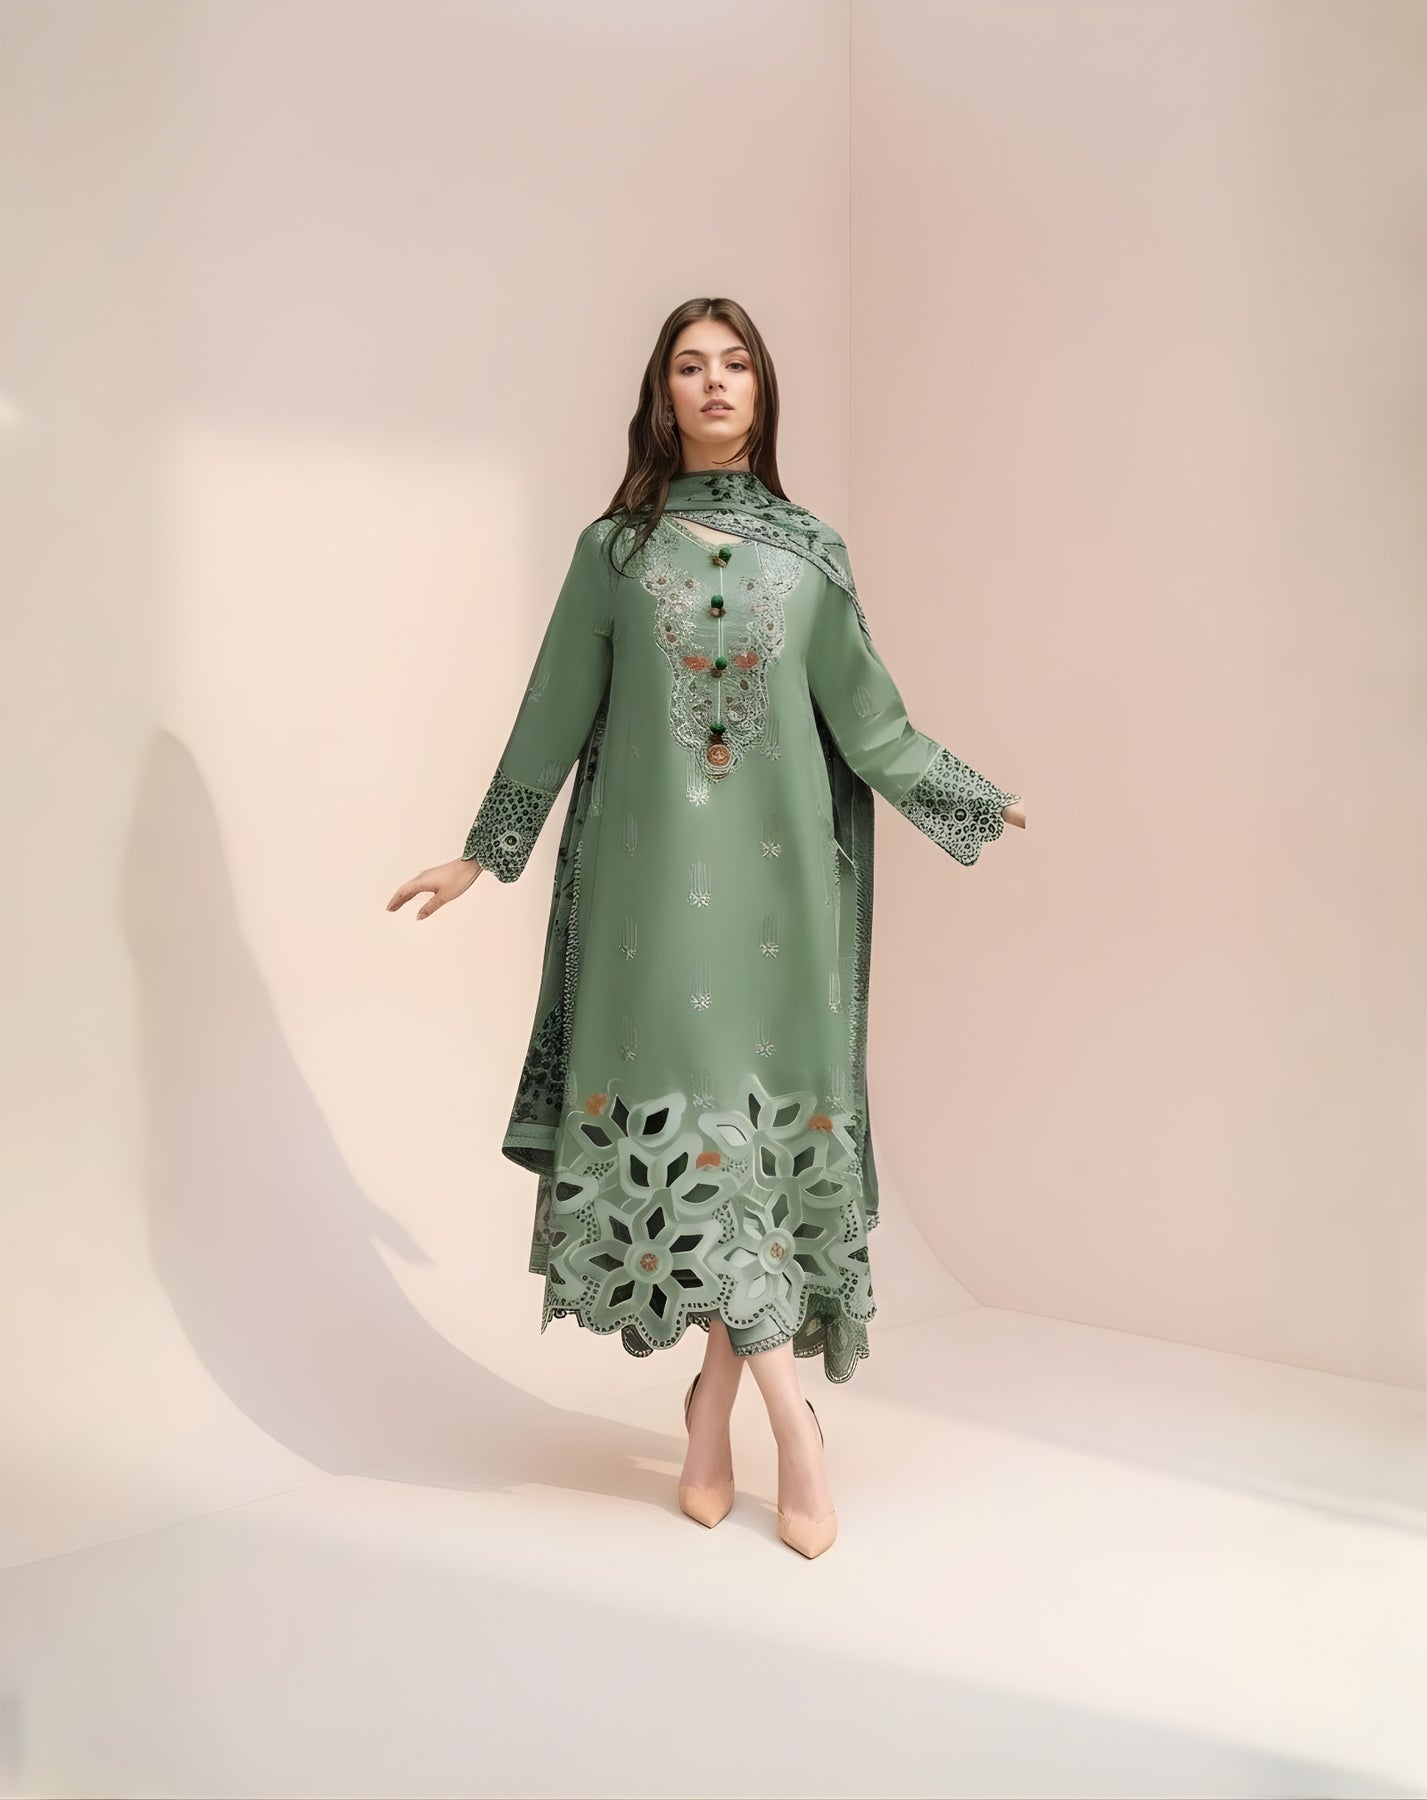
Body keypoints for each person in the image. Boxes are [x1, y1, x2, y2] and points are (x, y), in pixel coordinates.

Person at [388, 297, 1025, 1558]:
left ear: (763, 390)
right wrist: (484, 851)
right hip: (649, 904)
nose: (716, 382)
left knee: (751, 1154)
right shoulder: (615, 553)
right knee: (698, 1147)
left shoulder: (812, 553)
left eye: (736, 364)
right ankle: (793, 1425)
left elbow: (869, 720)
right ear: (662, 395)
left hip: (782, 899)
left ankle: (717, 1410)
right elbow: (555, 706)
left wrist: (965, 795)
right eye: (691, 365)